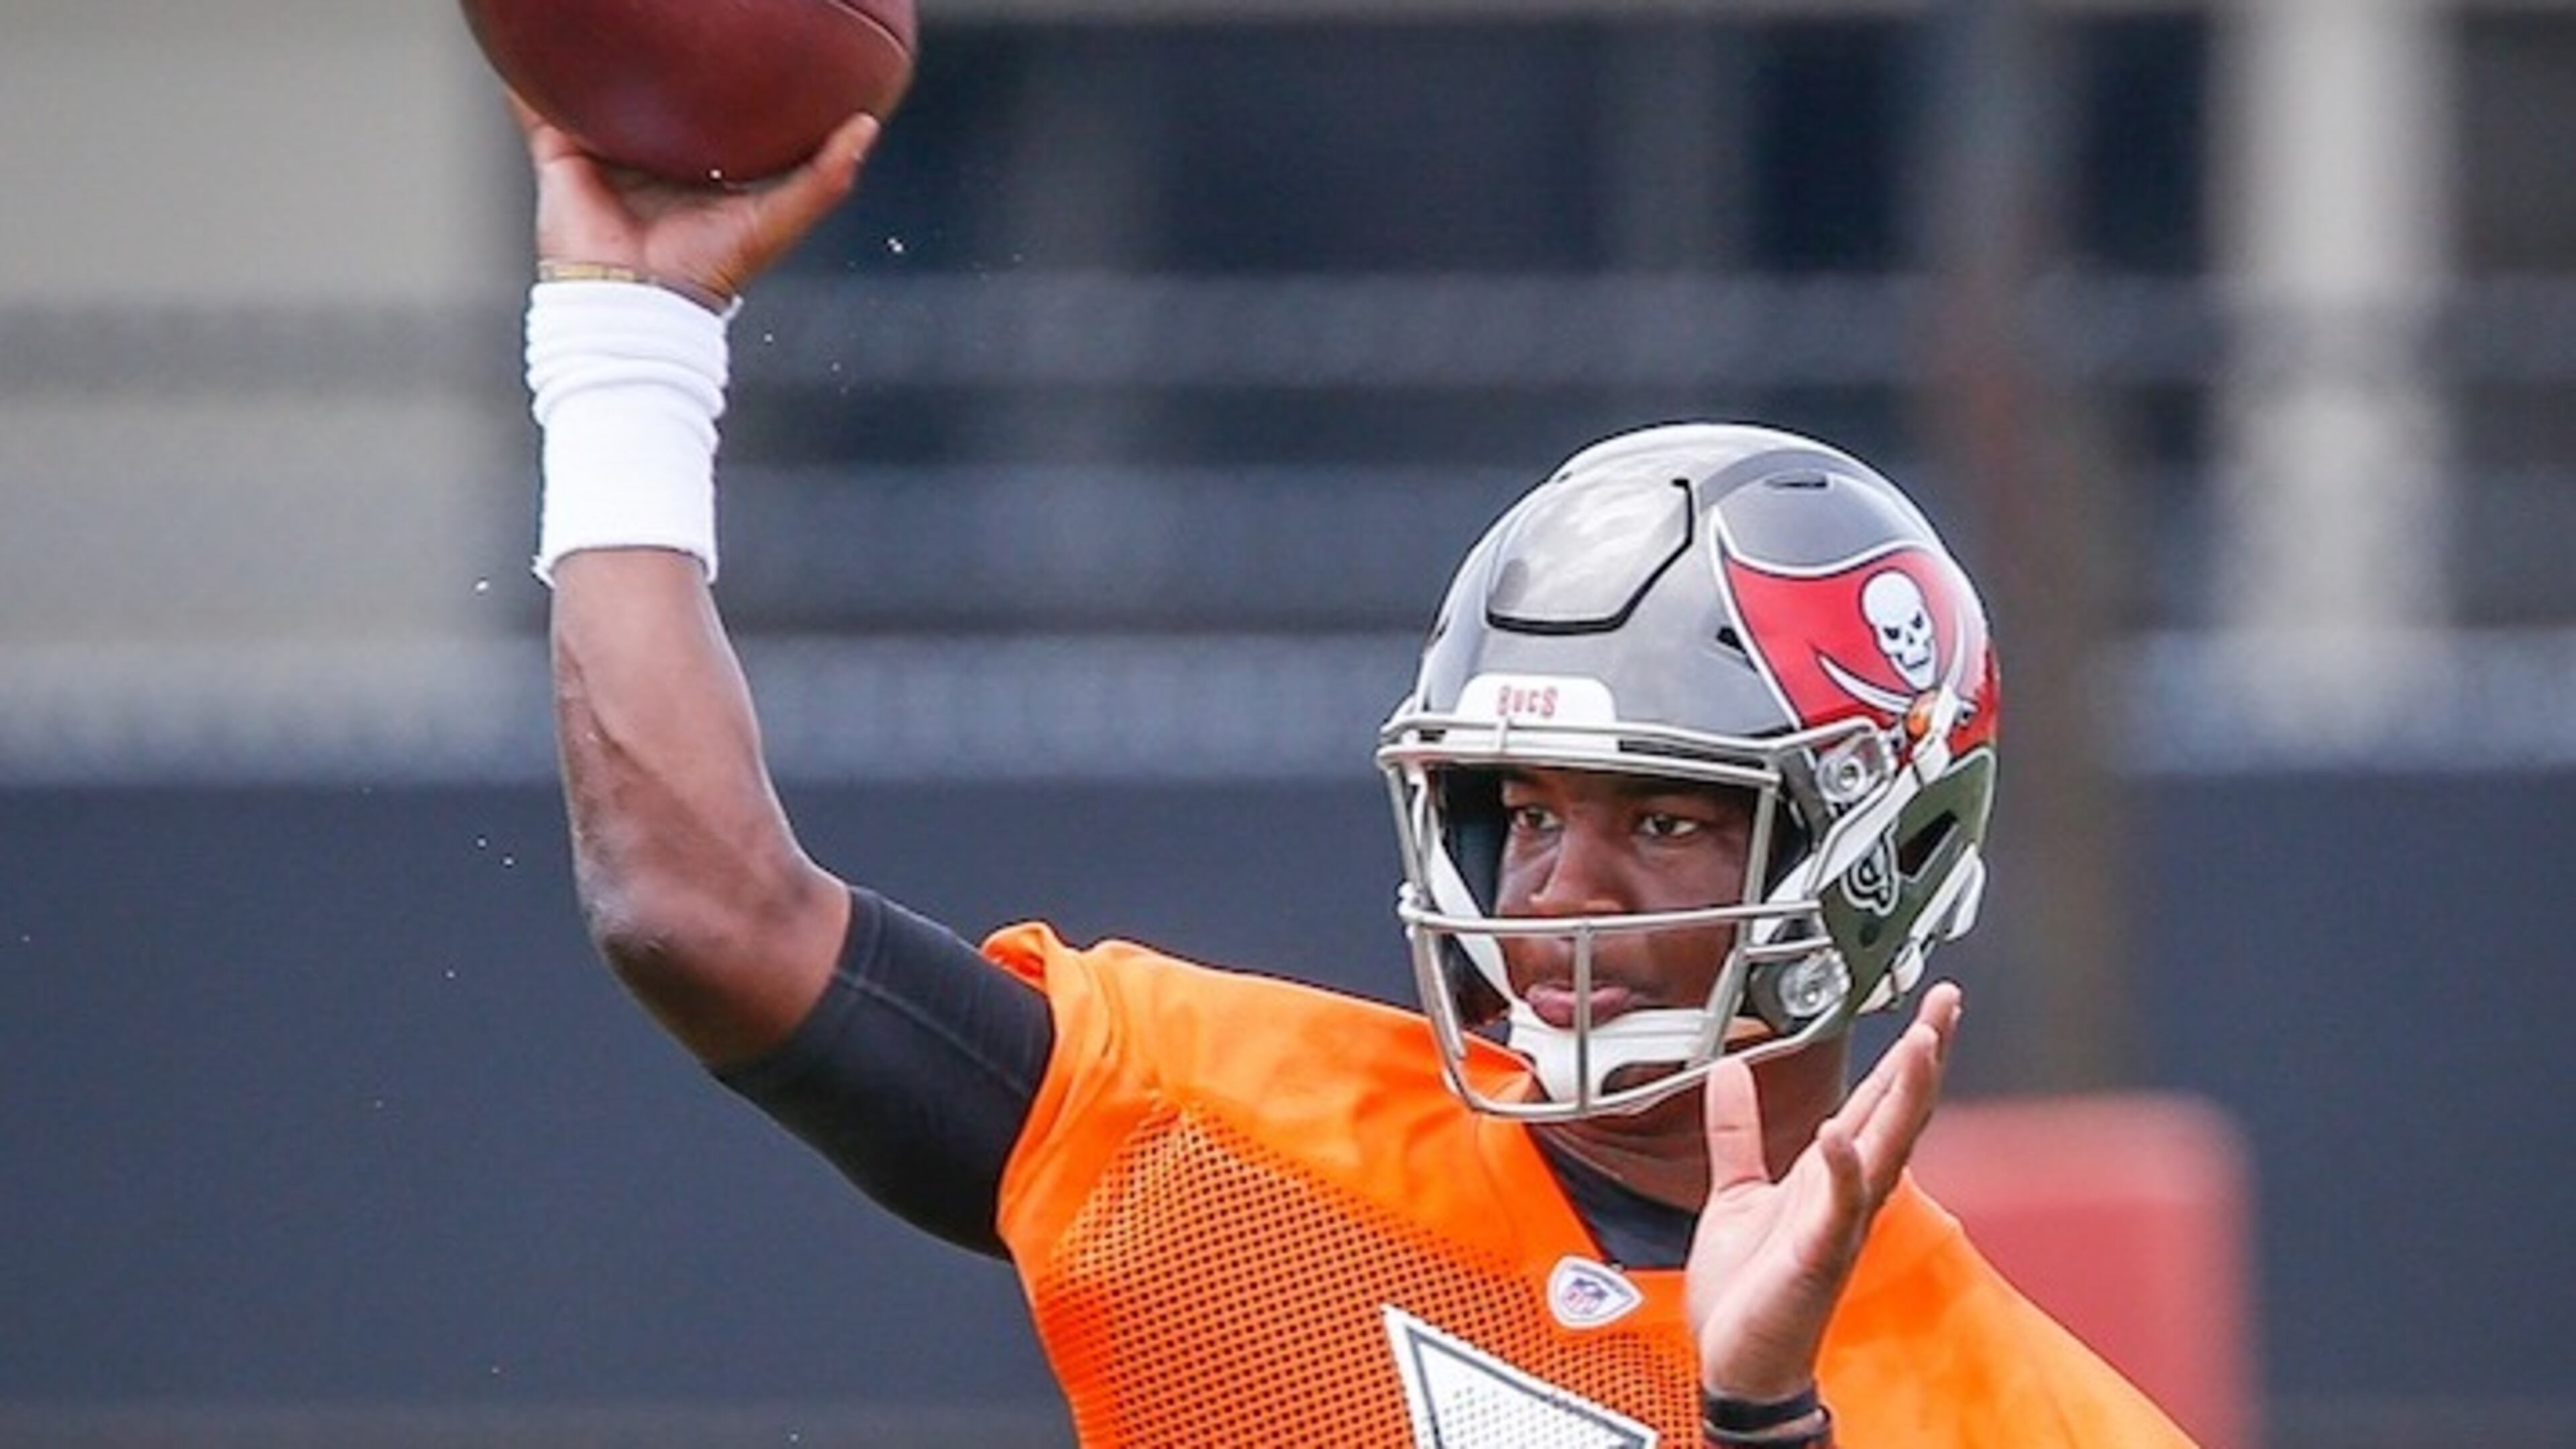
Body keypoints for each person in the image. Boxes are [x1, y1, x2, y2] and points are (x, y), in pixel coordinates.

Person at [513, 99, 2199, 1448]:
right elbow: (700, 909)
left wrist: (1758, 1420)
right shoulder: (1235, 1143)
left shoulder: (2030, 1419)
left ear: (1882, 860)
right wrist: (628, 355)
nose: (1555, 891)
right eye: (1528, 811)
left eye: (1667, 819)